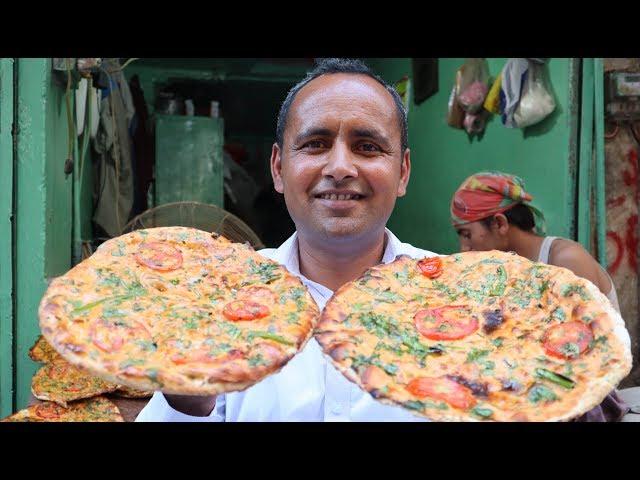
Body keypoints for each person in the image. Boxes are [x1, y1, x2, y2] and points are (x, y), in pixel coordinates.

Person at [136, 58, 437, 421]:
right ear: (278, 168)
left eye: (368, 147)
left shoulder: (460, 303)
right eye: (315, 143)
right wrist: (188, 405)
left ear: (402, 172)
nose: (340, 167)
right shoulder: (216, 300)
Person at [450, 170, 629, 421]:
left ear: (500, 224)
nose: (463, 248)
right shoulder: (501, 271)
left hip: (582, 393)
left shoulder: (565, 260)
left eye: (467, 234)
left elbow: (580, 357)